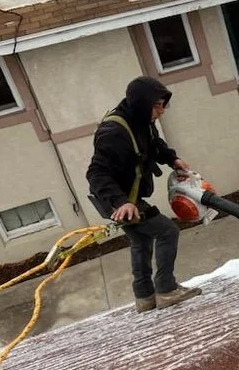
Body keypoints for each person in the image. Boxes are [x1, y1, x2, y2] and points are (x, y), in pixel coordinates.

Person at [86, 76, 201, 313]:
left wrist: (172, 159)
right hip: (116, 200)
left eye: (163, 105)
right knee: (167, 231)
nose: (161, 111)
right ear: (141, 103)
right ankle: (167, 290)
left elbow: (154, 144)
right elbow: (96, 173)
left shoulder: (141, 119)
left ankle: (145, 297)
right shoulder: (114, 132)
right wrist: (121, 202)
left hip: (126, 198)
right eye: (157, 105)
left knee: (141, 240)